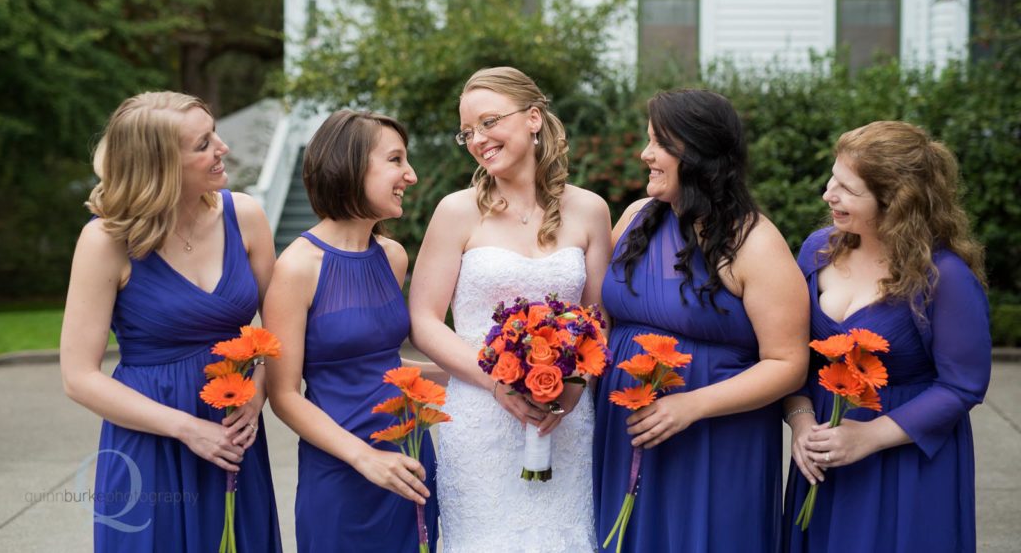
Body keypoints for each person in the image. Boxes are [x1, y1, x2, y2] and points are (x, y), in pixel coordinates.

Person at [60, 92, 281, 551]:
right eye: (203, 144)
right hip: (149, 445)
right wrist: (186, 428)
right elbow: (78, 377)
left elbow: (279, 333)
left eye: (214, 133)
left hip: (232, 438)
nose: (222, 147)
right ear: (159, 165)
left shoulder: (246, 216)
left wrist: (256, 393)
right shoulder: (105, 242)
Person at [592, 89, 810, 553]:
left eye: (658, 143)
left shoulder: (755, 243)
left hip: (716, 440)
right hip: (628, 428)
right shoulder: (635, 218)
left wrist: (689, 406)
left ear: (696, 152)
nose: (644, 154)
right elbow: (600, 319)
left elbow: (788, 362)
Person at [408, 66, 612, 552]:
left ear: (534, 118)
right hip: (480, 421)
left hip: (565, 419)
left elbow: (597, 320)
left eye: (489, 121)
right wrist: (495, 381)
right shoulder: (456, 211)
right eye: (468, 131)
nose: (477, 139)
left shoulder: (590, 211)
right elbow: (424, 321)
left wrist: (576, 387)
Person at [782, 121, 991, 553]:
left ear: (896, 201)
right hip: (824, 451)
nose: (828, 194)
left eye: (847, 188)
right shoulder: (817, 249)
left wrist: (869, 435)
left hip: (907, 460)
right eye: (832, 178)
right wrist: (802, 423)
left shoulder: (945, 276)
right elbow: (793, 353)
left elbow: (963, 384)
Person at [264, 109, 438, 552]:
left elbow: (380, 363)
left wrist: (489, 374)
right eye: (396, 160)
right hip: (342, 469)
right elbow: (284, 394)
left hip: (410, 458)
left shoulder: (393, 257)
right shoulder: (297, 267)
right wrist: (366, 458)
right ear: (351, 165)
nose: (410, 175)